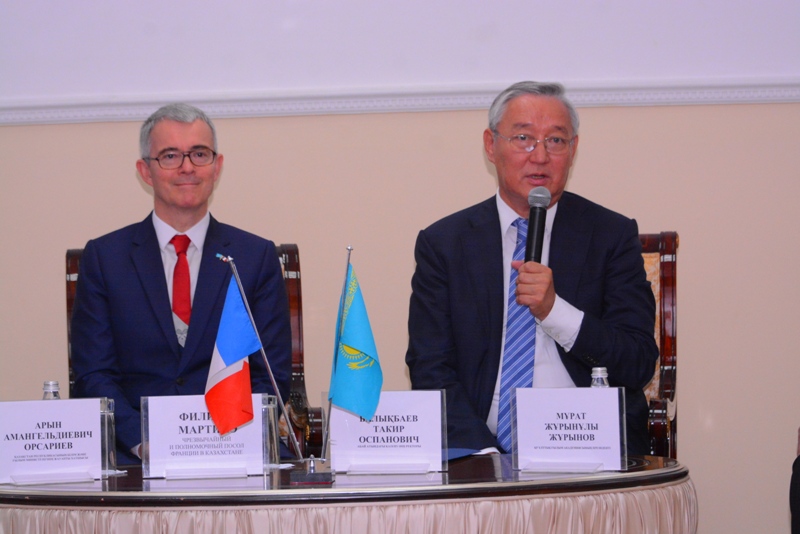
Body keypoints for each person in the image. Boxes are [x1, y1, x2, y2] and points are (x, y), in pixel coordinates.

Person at [405, 81, 658, 455]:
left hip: (586, 446)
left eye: (555, 140)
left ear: (573, 149)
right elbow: (430, 368)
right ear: (491, 145)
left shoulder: (611, 235)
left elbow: (637, 363)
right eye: (523, 138)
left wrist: (555, 311)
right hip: (481, 449)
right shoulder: (444, 244)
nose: (540, 156)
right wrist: (484, 458)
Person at [70, 103, 292, 465]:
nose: (187, 167)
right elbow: (93, 374)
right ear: (146, 171)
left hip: (234, 444)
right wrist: (143, 442)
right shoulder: (105, 258)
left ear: (217, 166)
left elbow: (271, 374)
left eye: (199, 154)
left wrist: (220, 439)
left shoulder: (255, 257)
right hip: (134, 454)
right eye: (170, 156)